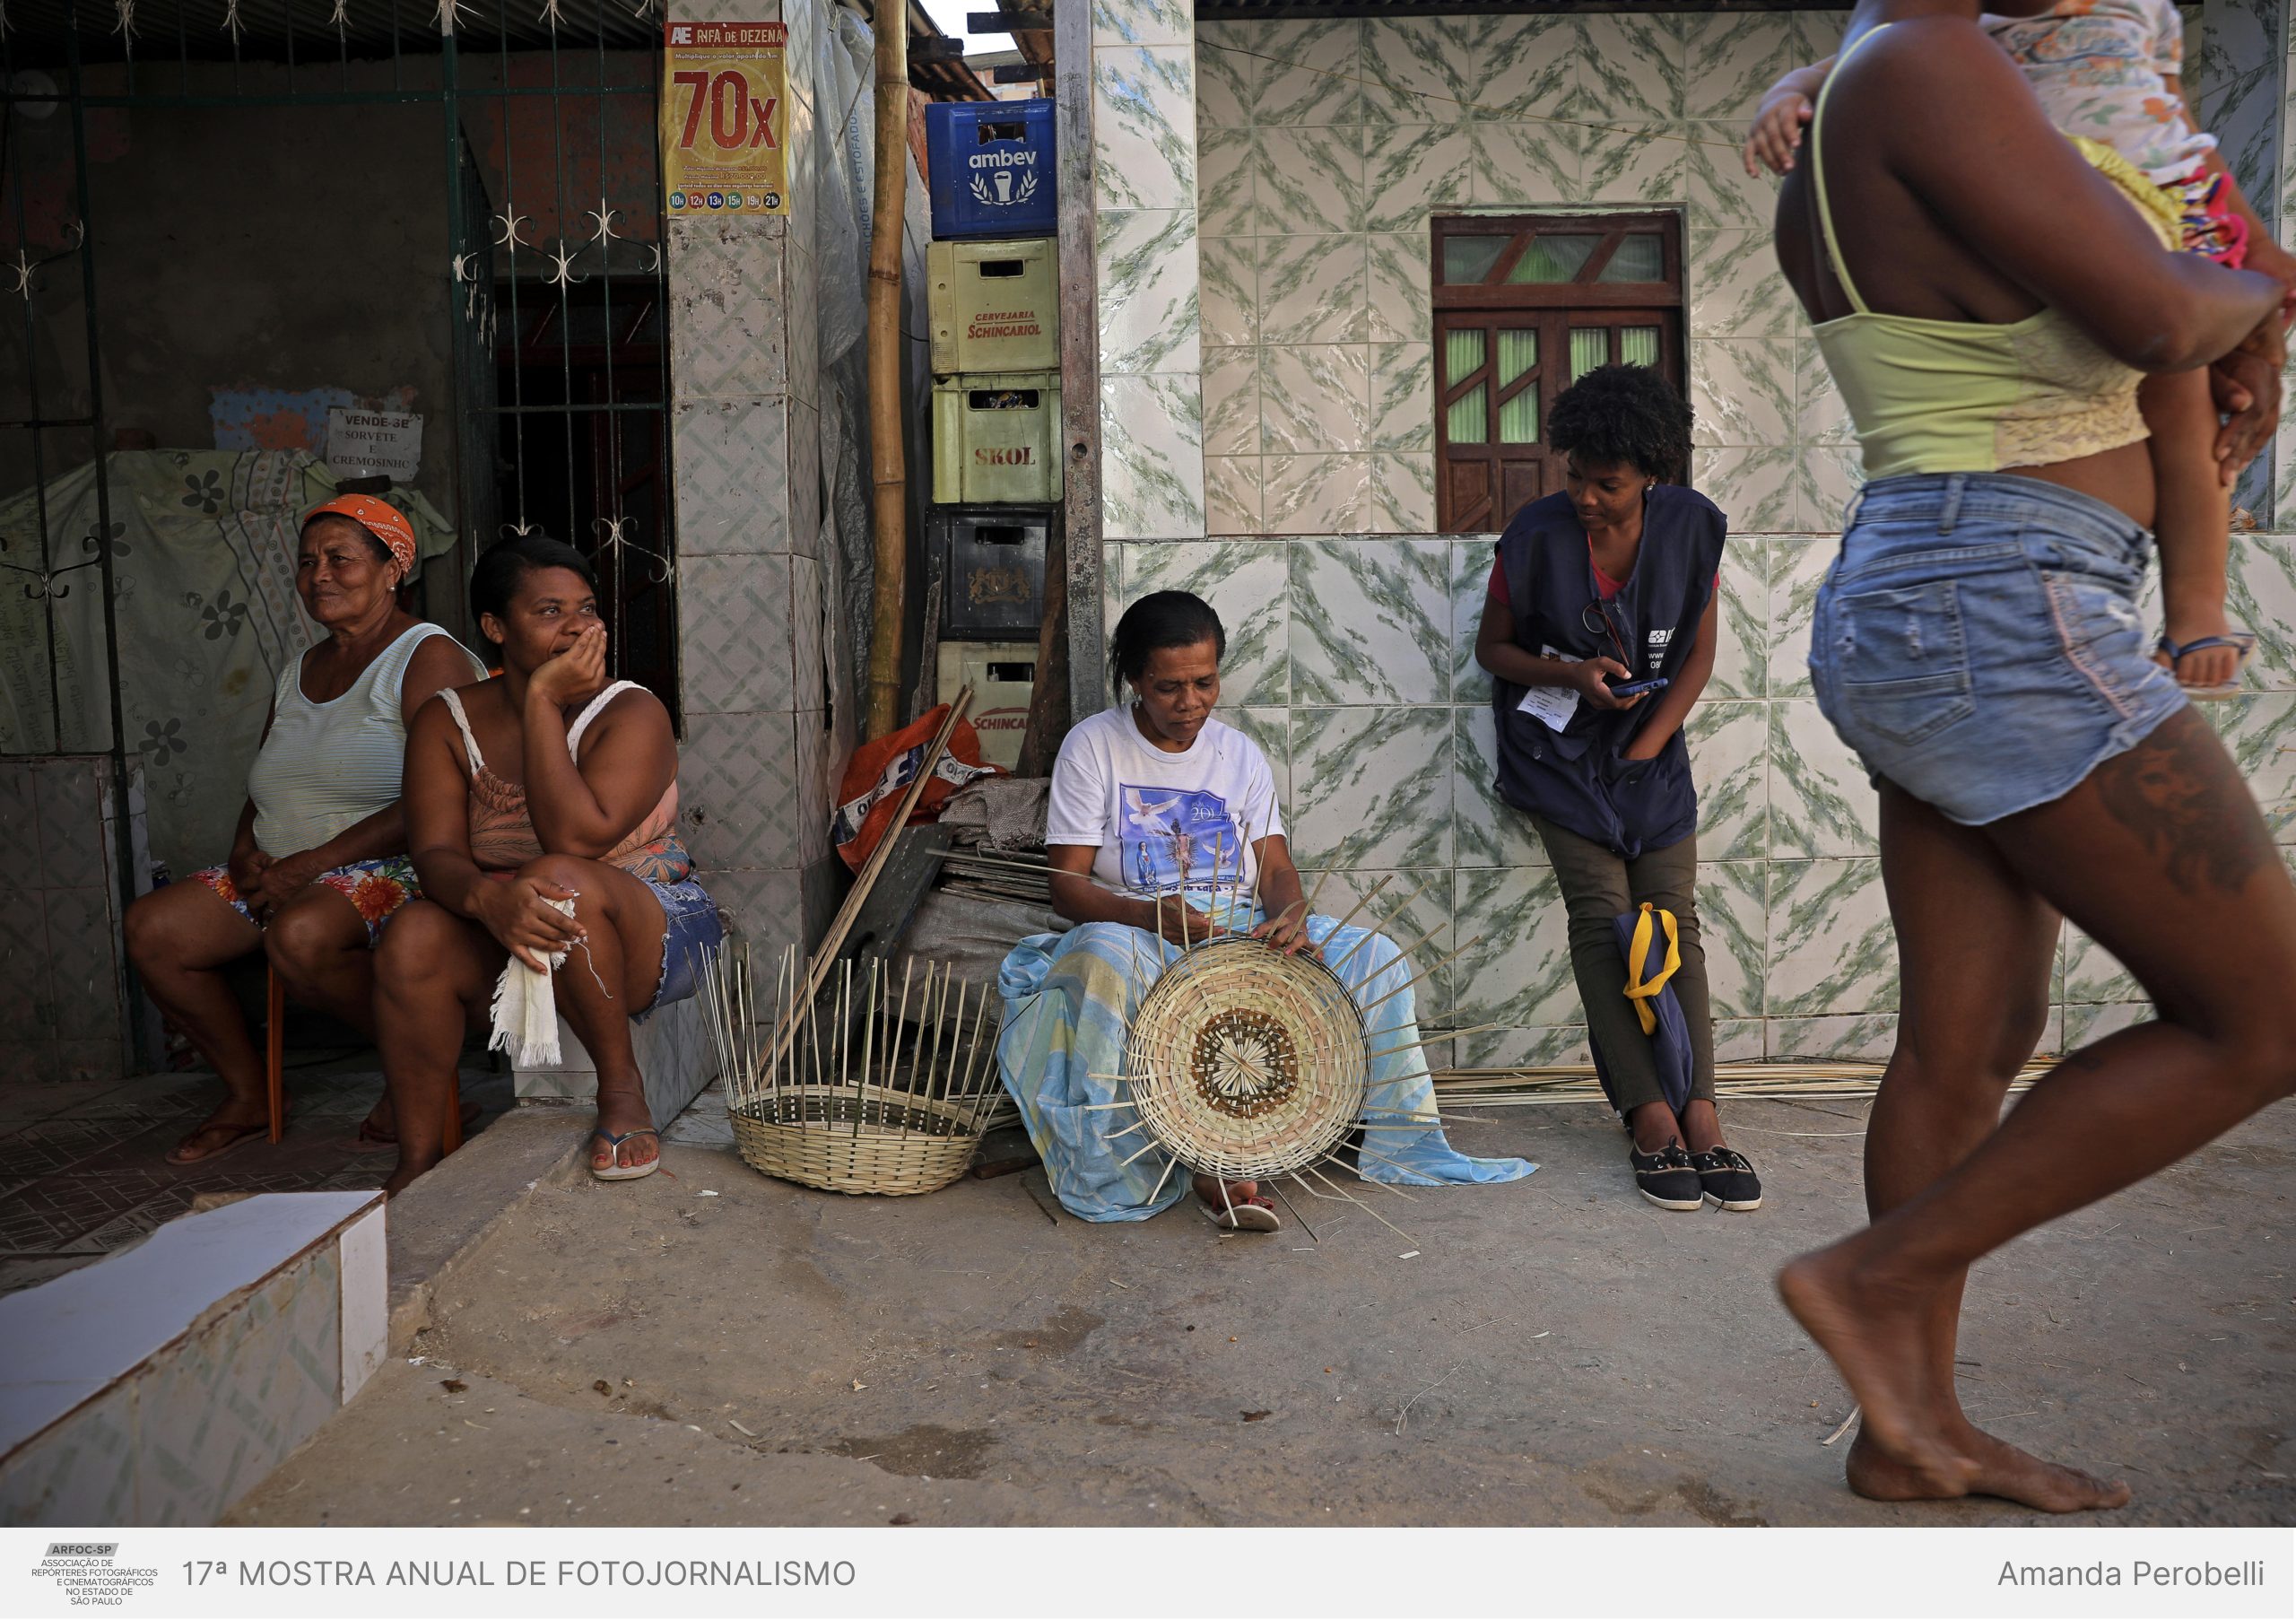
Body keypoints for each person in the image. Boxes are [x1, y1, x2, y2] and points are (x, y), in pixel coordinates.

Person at [1770, 0, 2286, 1511]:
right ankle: (1876, 1278)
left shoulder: (1882, 81)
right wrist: (2263, 292)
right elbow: (2163, 318)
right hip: (1999, 597)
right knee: (2266, 1015)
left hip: (1948, 587)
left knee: (1969, 1039)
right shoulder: (1925, 64)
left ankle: (1908, 1427)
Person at [1744, 0, 2296, 695]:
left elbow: (2179, 124)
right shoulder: (1938, 40)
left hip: (2158, 214)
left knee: (2196, 418)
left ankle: (2197, 611)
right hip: (2068, 213)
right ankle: (2196, 617)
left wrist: (2255, 255)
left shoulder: (2143, 9)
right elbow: (1849, 58)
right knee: (2181, 383)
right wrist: (1786, 89)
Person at [997, 590, 1532, 1230]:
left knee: (1375, 955)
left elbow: (1275, 870)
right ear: (1136, 680)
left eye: (1204, 682)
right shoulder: (1094, 746)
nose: (1190, 702)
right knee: (1103, 961)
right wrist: (1147, 918)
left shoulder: (1239, 753)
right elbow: (1066, 885)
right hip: (1138, 925)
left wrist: (1291, 919)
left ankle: (1383, 1143)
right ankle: (1168, 1162)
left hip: (1238, 923)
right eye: (1169, 687)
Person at [1473, 366, 1759, 1214]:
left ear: (1652, 475)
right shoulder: (1532, 537)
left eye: (1608, 484)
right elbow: (1494, 650)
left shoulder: (1692, 530)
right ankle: (1649, 1116)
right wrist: (1571, 673)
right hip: (1557, 754)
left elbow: (1699, 653)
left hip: (1650, 747)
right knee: (1603, 921)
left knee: (1673, 921)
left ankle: (1701, 1111)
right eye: (1576, 478)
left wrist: (1647, 743)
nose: (1586, 498)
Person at [123, 495, 483, 1164]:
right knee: (155, 930)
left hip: (401, 866)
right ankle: (251, 1093)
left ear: (393, 569)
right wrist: (244, 853)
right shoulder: (299, 669)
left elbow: (443, 796)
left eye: (340, 559)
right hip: (286, 867)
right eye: (308, 561)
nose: (320, 575)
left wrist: (313, 864)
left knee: (302, 934)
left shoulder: (426, 655)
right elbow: (268, 781)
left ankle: (418, 1078)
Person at [374, 535, 723, 1196]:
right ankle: (418, 1158)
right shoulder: (446, 720)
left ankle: (622, 1090)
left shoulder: (631, 710)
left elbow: (574, 839)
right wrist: (488, 901)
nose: (577, 627)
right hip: (516, 923)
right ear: (495, 627)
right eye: (549, 611)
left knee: (556, 876)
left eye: (586, 609)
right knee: (412, 933)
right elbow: (436, 855)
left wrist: (540, 701)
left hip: (649, 925)